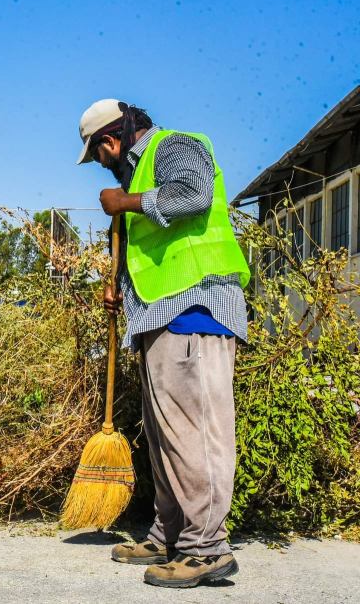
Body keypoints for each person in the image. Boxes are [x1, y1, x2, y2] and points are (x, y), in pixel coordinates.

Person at [76, 99, 250, 588]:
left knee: (196, 435)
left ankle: (206, 548)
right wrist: (120, 286)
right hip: (159, 316)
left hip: (196, 311)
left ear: (111, 141)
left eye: (98, 155)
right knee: (166, 439)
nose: (100, 165)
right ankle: (169, 534)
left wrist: (126, 203)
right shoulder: (138, 175)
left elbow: (193, 195)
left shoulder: (176, 146)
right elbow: (154, 247)